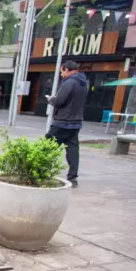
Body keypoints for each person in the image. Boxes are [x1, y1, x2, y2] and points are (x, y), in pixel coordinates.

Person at [46, 60, 87, 188]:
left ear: (67, 69)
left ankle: (40, 172)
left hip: (63, 122)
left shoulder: (69, 82)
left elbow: (59, 101)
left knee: (46, 147)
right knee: (73, 150)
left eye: (62, 72)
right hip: (76, 122)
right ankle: (73, 178)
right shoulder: (83, 83)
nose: (61, 74)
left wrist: (51, 99)